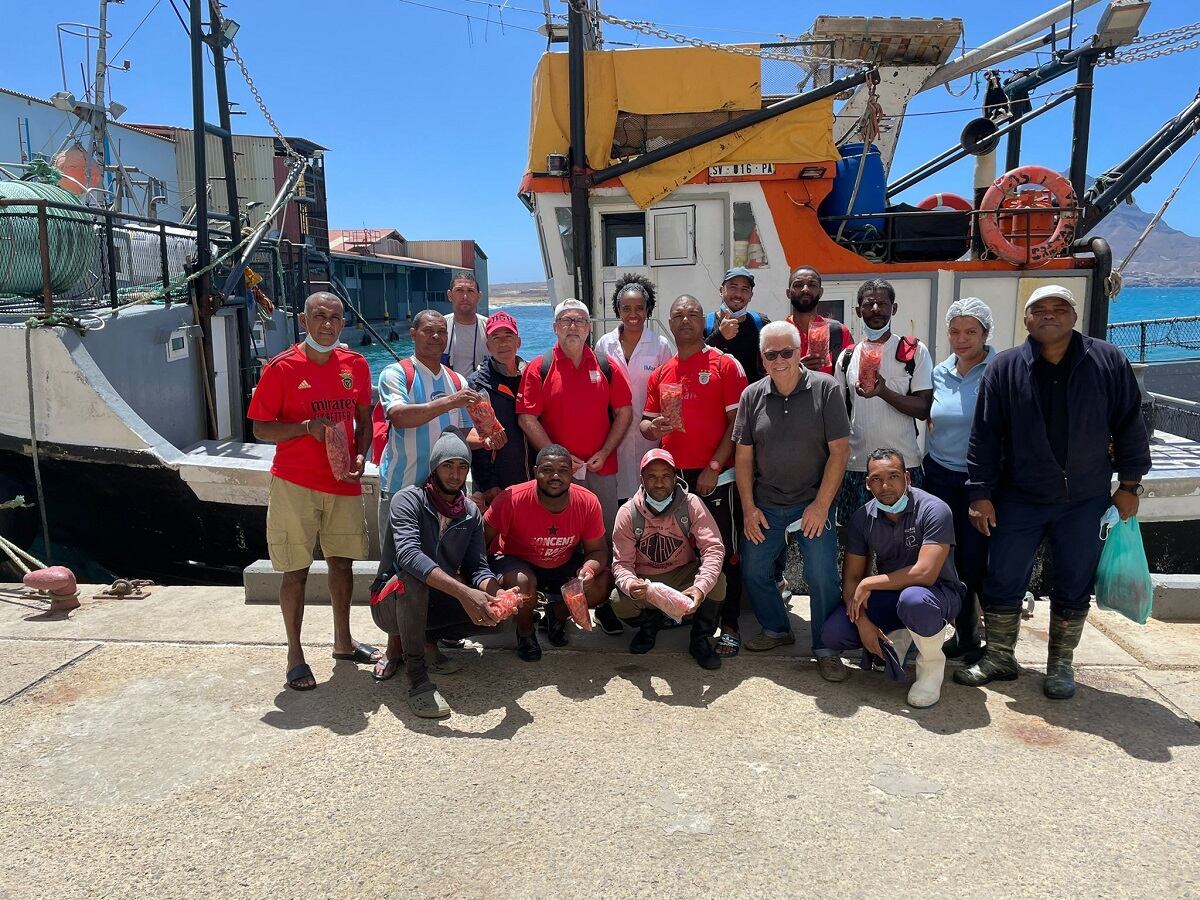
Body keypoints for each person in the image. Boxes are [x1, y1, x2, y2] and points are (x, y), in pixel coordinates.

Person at [957, 284, 1151, 700]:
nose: (1049, 315)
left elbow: (1130, 424)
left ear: (1073, 316)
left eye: (1058, 308)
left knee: (1074, 581)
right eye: (1038, 309)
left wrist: (1130, 484)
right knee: (1003, 577)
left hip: (1084, 499)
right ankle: (1000, 656)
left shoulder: (1107, 361)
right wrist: (980, 492)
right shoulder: (1005, 368)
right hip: (1019, 497)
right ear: (1026, 319)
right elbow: (984, 436)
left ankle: (1060, 665)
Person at [248, 291, 380, 691]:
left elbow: (363, 414)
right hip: (295, 483)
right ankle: (295, 654)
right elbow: (260, 427)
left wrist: (361, 456)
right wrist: (305, 428)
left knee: (343, 564)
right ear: (304, 320)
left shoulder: (355, 365)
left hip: (342, 482)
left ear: (344, 323)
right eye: (319, 316)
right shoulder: (282, 367)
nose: (327, 324)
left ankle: (343, 641)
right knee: (295, 571)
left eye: (335, 317)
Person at [734, 321, 852, 681]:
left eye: (787, 352)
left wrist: (820, 506)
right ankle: (776, 629)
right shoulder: (752, 395)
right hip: (767, 503)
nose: (780, 360)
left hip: (813, 502)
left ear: (800, 353)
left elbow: (840, 453)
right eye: (772, 354)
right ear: (762, 358)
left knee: (821, 577)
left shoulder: (827, 389)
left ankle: (826, 647)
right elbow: (743, 458)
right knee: (753, 570)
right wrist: (749, 509)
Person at [371, 431, 512, 719]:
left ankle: (428, 643)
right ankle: (417, 676)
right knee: (412, 580)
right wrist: (464, 593)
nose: (455, 474)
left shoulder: (471, 513)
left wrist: (498, 595)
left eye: (462, 467)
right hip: (389, 602)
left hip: (434, 599)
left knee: (495, 622)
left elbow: (478, 568)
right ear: (434, 467)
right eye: (448, 465)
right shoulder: (407, 500)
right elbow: (409, 556)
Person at [517, 298, 633, 634]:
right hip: (557, 477)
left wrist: (605, 449)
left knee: (604, 542)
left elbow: (624, 412)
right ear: (555, 328)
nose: (573, 326)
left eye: (579, 320)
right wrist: (561, 460)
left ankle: (602, 602)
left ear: (589, 327)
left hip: (601, 470)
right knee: (563, 546)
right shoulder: (539, 367)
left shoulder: (607, 366)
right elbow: (527, 418)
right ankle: (560, 611)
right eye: (566, 320)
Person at [642, 294, 748, 656]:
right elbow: (646, 422)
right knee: (683, 551)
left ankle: (729, 624)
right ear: (669, 324)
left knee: (725, 552)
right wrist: (650, 428)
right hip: (672, 480)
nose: (684, 320)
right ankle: (691, 615)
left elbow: (737, 424)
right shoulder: (661, 373)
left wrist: (714, 467)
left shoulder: (724, 364)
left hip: (715, 476)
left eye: (692, 314)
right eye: (678, 315)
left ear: (703, 321)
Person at [821, 449, 966, 708]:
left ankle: (931, 667)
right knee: (834, 633)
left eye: (893, 476)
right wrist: (863, 621)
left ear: (908, 478)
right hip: (892, 594)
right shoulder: (862, 518)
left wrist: (870, 582)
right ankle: (901, 635)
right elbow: (852, 579)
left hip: (937, 593)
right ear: (867, 484)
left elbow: (925, 573)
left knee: (915, 601)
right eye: (876, 478)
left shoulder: (935, 509)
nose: (885, 485)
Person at [375, 309, 490, 580]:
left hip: (445, 494)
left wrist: (486, 439)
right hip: (402, 487)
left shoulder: (456, 380)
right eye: (428, 331)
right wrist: (450, 401)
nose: (436, 336)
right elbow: (400, 417)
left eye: (441, 331)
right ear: (413, 334)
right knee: (398, 571)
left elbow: (461, 433)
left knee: (441, 567)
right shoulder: (396, 373)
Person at [484, 445, 613, 650]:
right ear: (535, 471)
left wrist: (587, 571)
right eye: (547, 469)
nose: (555, 476)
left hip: (561, 562)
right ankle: (525, 632)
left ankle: (557, 614)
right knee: (522, 582)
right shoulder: (511, 499)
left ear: (572, 473)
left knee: (603, 582)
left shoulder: (588, 501)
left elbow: (598, 550)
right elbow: (480, 542)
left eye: (563, 470)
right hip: (516, 561)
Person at [924, 297, 996, 661]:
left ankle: (995, 644)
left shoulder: (1000, 369)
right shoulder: (939, 371)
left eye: (971, 331)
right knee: (947, 559)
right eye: (955, 331)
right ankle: (965, 634)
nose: (962, 338)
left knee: (977, 561)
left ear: (986, 333)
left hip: (979, 482)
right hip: (939, 476)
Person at [611, 449, 726, 669]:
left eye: (665, 476)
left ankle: (700, 639)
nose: (659, 483)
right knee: (618, 600)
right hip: (646, 580)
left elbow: (713, 548)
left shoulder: (691, 503)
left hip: (683, 573)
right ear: (642, 479)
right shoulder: (627, 512)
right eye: (652, 476)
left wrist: (700, 588)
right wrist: (630, 584)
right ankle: (649, 627)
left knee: (718, 583)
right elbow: (621, 563)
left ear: (675, 478)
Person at [835, 279, 934, 525]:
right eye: (869, 304)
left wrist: (883, 392)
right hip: (859, 467)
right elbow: (838, 412)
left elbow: (923, 409)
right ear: (858, 311)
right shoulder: (847, 357)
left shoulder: (913, 351)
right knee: (856, 542)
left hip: (904, 466)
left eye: (883, 303)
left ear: (894, 308)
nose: (876, 309)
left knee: (906, 540)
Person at [593, 274, 674, 502]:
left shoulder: (660, 346)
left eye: (639, 308)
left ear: (648, 310)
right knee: (616, 497)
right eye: (626, 308)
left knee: (648, 495)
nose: (633, 314)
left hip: (649, 432)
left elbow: (668, 392)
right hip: (613, 433)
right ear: (618, 310)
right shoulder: (604, 344)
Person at [467, 310, 532, 508]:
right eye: (496, 337)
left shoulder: (534, 376)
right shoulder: (476, 385)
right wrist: (488, 484)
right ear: (488, 345)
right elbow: (474, 440)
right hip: (497, 484)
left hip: (534, 479)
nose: (503, 343)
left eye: (508, 336)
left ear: (518, 342)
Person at [784, 265, 851, 376]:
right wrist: (797, 370)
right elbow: (766, 380)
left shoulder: (838, 332)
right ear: (788, 293)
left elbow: (851, 374)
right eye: (798, 285)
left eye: (812, 285)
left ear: (820, 292)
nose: (805, 289)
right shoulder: (777, 334)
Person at [705, 266, 769, 380]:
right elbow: (695, 360)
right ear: (721, 291)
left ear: (751, 296)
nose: (738, 294)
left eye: (745, 289)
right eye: (733, 287)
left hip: (752, 396)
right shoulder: (705, 324)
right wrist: (719, 335)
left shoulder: (761, 323)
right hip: (716, 396)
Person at [443, 272, 489, 376]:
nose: (465, 296)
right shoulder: (440, 327)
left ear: (479, 296)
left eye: (470, 291)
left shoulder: (490, 328)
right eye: (459, 290)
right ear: (450, 295)